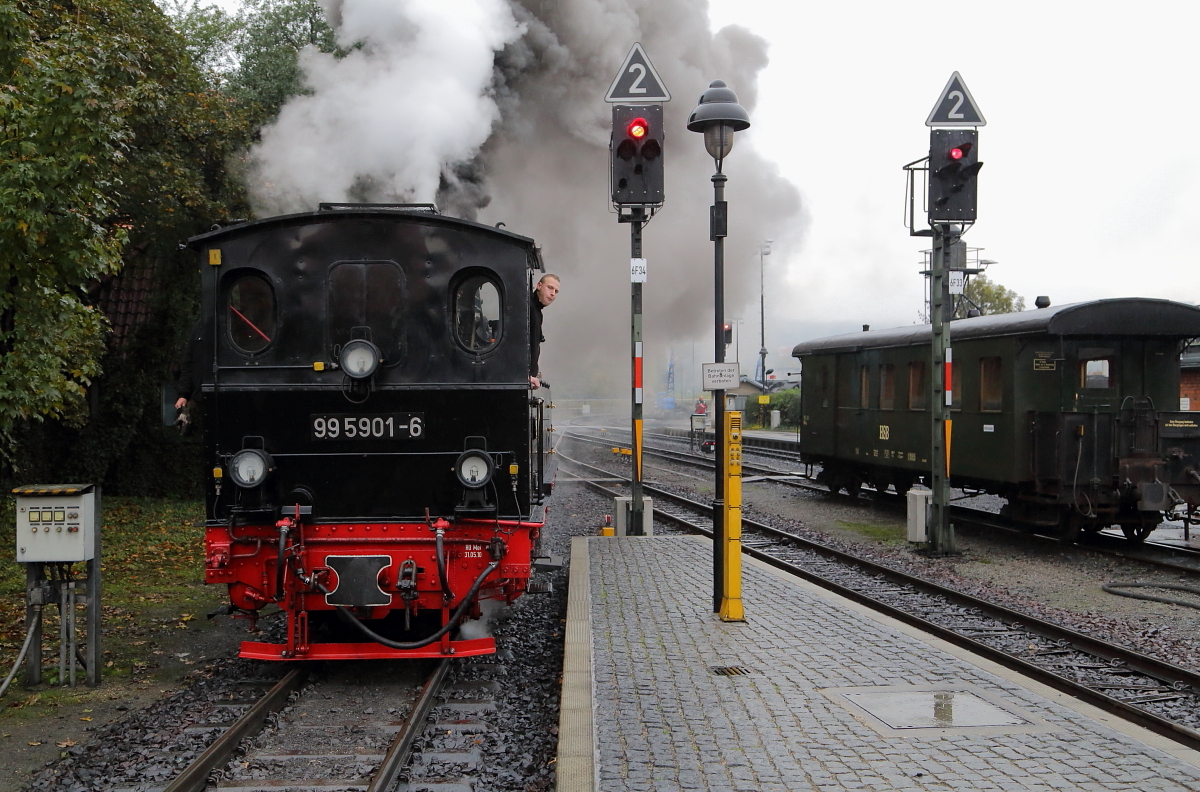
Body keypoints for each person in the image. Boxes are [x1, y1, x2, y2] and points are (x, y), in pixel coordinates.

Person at [529, 273, 559, 389]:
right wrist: (525, 376)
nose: (552, 293)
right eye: (550, 287)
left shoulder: (538, 313)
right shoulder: (528, 308)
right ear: (539, 285)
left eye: (556, 291)